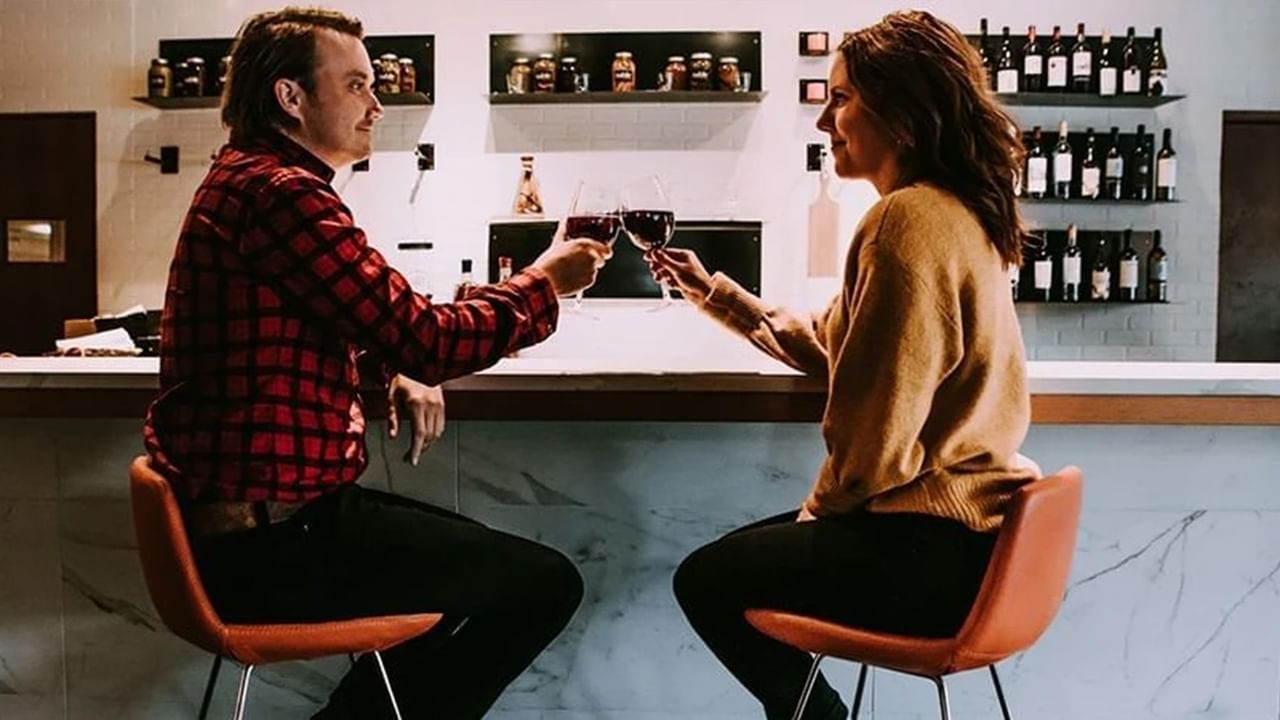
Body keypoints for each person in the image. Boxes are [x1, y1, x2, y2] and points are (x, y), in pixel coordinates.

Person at [142, 8, 611, 719]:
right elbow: (425, 337)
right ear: (290, 98)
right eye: (357, 84)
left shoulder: (249, 181)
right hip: (270, 549)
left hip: (264, 525)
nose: (378, 102)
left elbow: (346, 326)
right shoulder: (283, 193)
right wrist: (548, 281)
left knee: (479, 566)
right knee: (543, 584)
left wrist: (385, 364)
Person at [650, 11, 1042, 720]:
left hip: (928, 552)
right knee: (734, 563)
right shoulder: (952, 214)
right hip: (976, 545)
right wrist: (710, 290)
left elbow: (873, 447)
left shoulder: (904, 222)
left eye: (841, 98)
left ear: (903, 112)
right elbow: (835, 344)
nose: (823, 119)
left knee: (708, 581)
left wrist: (813, 519)